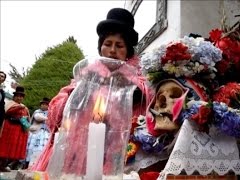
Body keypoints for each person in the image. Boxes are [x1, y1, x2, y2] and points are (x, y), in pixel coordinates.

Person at [31, 8, 152, 173]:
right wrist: (70, 100)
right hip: (81, 153)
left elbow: (147, 118)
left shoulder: (138, 85)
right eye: (107, 44)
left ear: (128, 51)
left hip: (120, 155)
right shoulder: (86, 76)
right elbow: (56, 113)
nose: (112, 51)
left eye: (119, 45)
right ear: (100, 46)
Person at [0, 86, 30, 172]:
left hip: (18, 130)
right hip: (9, 128)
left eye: (21, 96)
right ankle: (1, 164)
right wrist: (18, 108)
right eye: (18, 96)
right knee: (5, 146)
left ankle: (4, 165)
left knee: (13, 149)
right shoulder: (10, 104)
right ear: (14, 96)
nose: (19, 98)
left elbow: (27, 118)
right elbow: (7, 112)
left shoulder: (24, 107)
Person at [24, 97, 50, 169]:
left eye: (46, 104)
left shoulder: (50, 112)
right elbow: (38, 117)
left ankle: (38, 165)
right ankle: (27, 164)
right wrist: (48, 118)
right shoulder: (37, 111)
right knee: (31, 149)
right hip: (36, 132)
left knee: (42, 149)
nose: (44, 106)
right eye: (43, 104)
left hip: (46, 133)